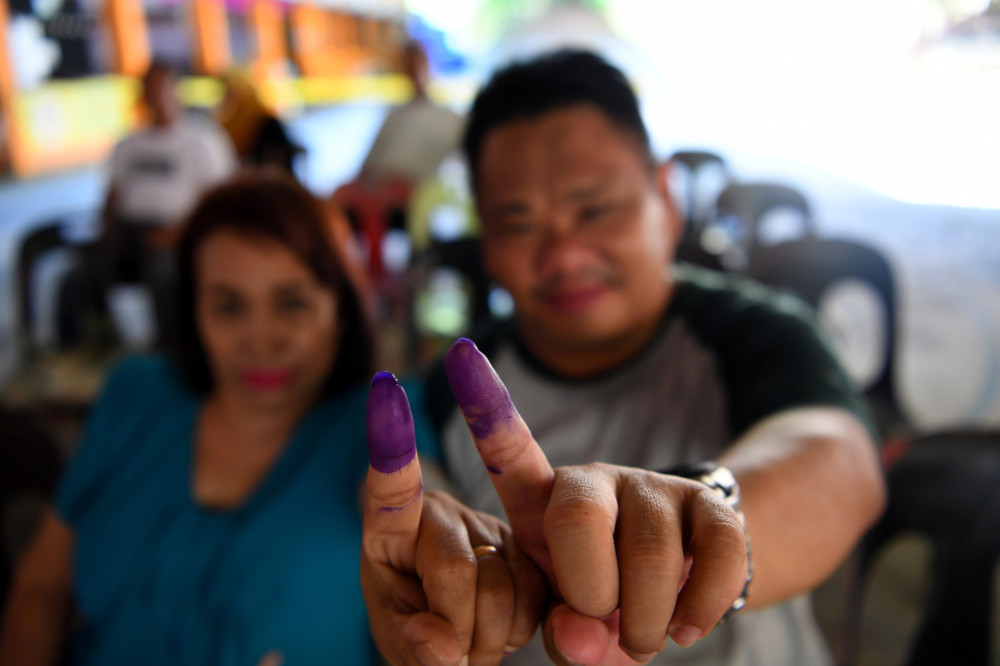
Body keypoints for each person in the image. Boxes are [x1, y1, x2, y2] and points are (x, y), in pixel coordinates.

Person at [360, 50, 886, 665]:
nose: (563, 254)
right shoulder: (459, 384)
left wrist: (703, 520)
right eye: (519, 221)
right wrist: (440, 575)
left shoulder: (754, 332)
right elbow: (417, 517)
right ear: (487, 241)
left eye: (595, 210)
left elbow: (838, 459)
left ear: (665, 199)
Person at [0, 170, 392, 665]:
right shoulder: (136, 396)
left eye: (292, 303)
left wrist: (453, 547)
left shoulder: (381, 422)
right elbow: (40, 587)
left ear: (343, 309)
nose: (261, 340)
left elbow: (422, 505)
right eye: (229, 306)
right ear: (193, 312)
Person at [98, 61, 237, 340]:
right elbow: (111, 198)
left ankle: (168, 345)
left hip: (181, 231)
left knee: (163, 268)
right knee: (93, 268)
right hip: (130, 230)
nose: (156, 97)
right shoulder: (127, 145)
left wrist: (177, 233)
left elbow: (222, 203)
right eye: (149, 90)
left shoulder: (202, 141)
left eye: (162, 89)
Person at [216, 69, 304, 176]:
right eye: (226, 95)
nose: (227, 100)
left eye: (231, 94)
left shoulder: (267, 125)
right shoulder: (221, 127)